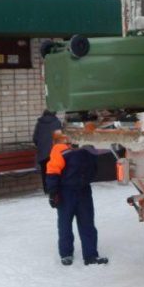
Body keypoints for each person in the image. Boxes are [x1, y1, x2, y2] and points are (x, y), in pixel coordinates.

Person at [46, 131, 124, 266]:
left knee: (87, 224)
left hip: (83, 190)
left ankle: (91, 256)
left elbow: (96, 163)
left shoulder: (88, 148)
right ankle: (66, 254)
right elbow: (53, 171)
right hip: (66, 191)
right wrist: (53, 192)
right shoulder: (60, 149)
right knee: (65, 224)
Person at [32, 109, 62, 192]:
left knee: (44, 171)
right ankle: (55, 189)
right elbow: (59, 138)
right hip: (54, 151)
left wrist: (41, 145)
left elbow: (35, 138)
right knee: (55, 170)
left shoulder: (39, 123)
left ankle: (47, 189)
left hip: (42, 153)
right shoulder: (57, 122)